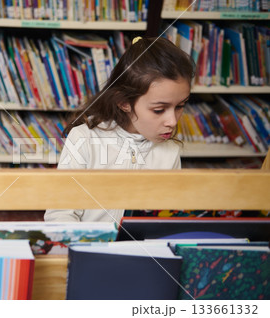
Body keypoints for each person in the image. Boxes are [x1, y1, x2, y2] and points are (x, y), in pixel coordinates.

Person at [44, 36, 195, 222]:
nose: (172, 121)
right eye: (159, 110)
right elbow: (59, 215)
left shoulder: (170, 151)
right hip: (87, 246)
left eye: (180, 106)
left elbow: (167, 219)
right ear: (124, 102)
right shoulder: (84, 138)